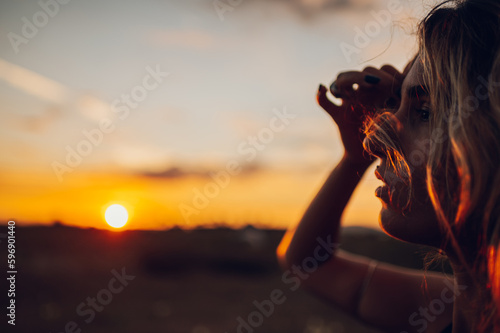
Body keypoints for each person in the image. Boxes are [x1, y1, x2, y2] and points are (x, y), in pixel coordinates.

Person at [276, 0, 500, 332]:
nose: (373, 142)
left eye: (424, 112)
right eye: (396, 107)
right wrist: (353, 160)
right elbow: (308, 264)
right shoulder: (451, 306)